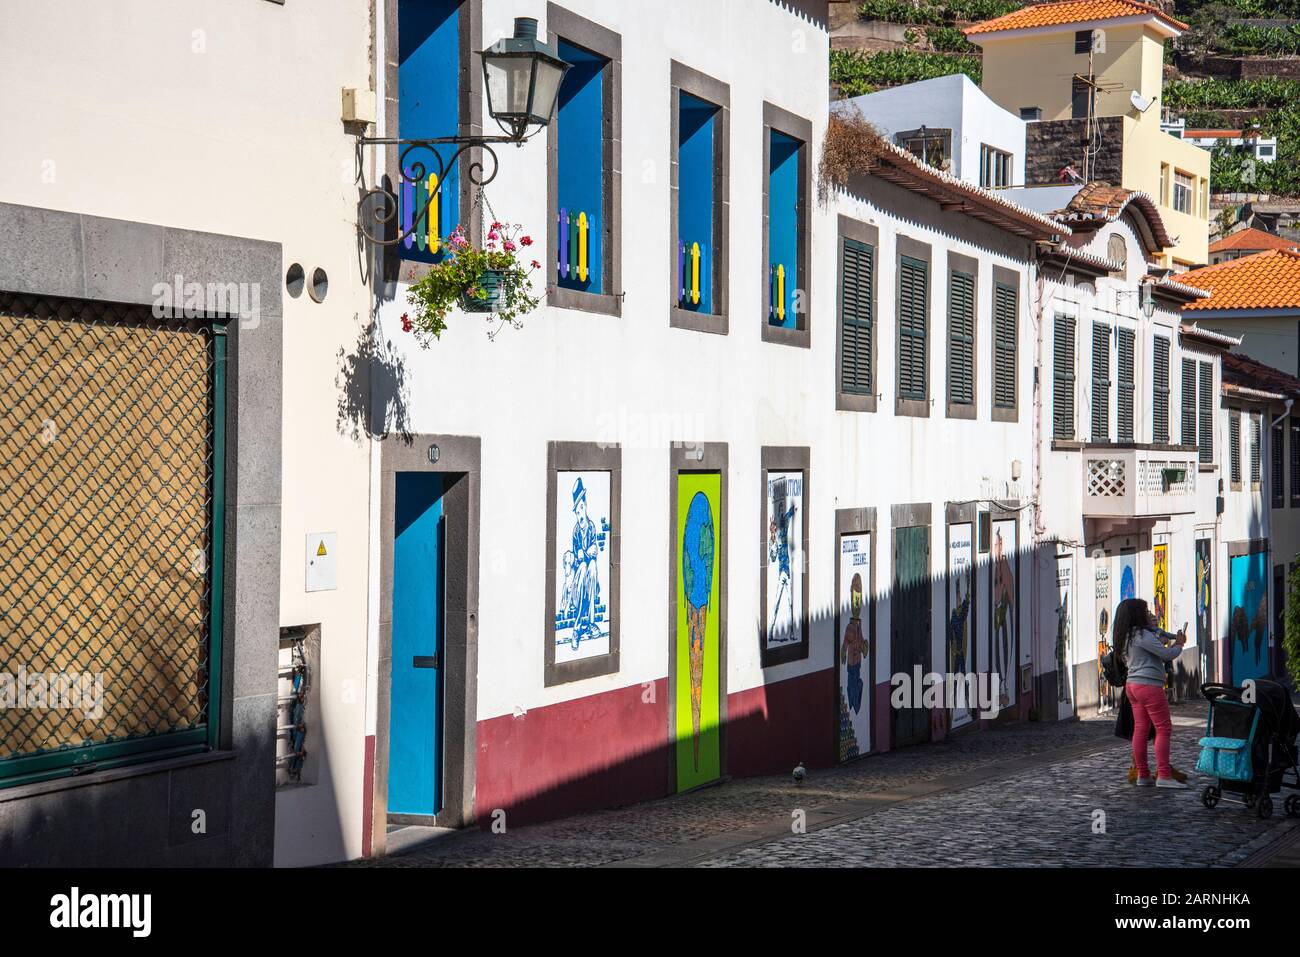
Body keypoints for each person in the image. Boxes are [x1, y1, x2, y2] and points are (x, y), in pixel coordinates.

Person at [1113, 597, 1187, 789]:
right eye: (1145, 611)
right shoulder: (1142, 635)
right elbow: (1167, 655)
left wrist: (1167, 644)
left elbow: (1154, 653)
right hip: (1149, 686)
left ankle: (1143, 774)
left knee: (1141, 728)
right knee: (1163, 728)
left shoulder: (1125, 636)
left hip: (1133, 686)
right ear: (1136, 614)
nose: (1147, 614)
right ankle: (1163, 774)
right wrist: (1179, 644)